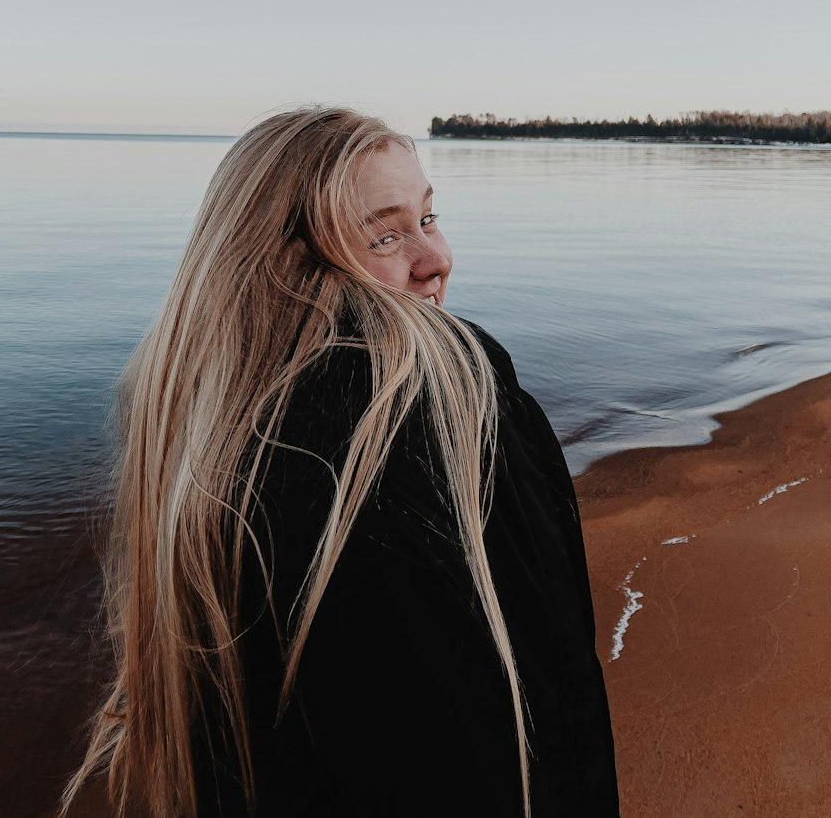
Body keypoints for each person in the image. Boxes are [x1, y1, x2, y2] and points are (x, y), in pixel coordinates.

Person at [64, 107, 618, 818]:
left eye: (428, 216)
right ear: (281, 264)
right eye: (385, 235)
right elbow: (530, 720)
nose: (437, 257)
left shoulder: (207, 438)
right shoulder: (431, 416)